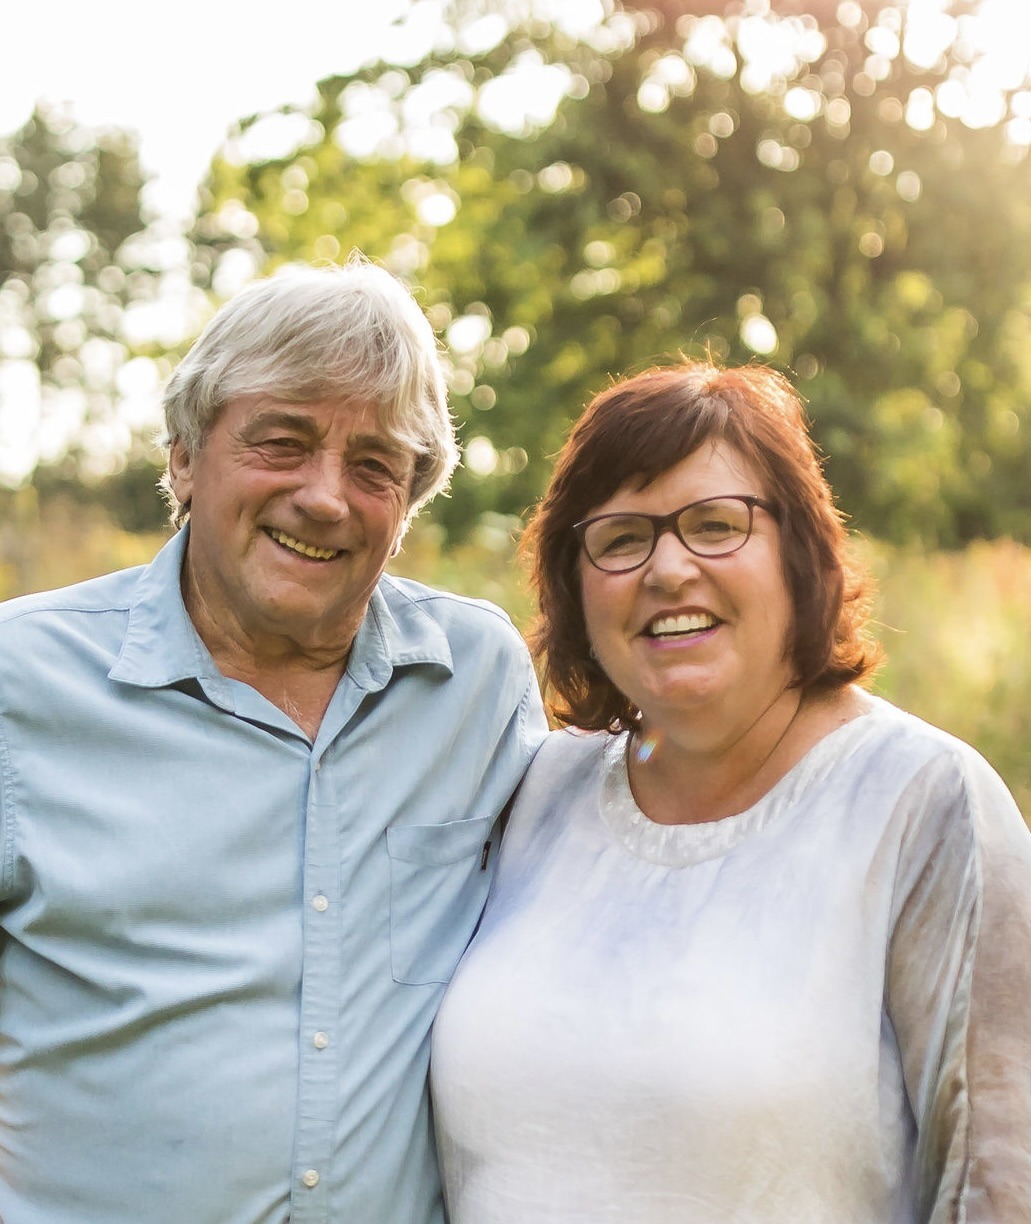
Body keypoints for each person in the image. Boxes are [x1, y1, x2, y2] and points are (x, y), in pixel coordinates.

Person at [0, 257, 547, 1224]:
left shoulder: (476, 681)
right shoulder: (22, 681)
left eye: (375, 465)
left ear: (411, 498)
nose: (326, 497)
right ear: (183, 455)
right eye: (282, 442)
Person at [431, 360, 1031, 1221]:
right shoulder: (535, 790)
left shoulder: (921, 801)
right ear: (574, 583)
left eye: (714, 524)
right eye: (621, 538)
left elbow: (997, 1187)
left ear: (798, 550)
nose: (668, 569)